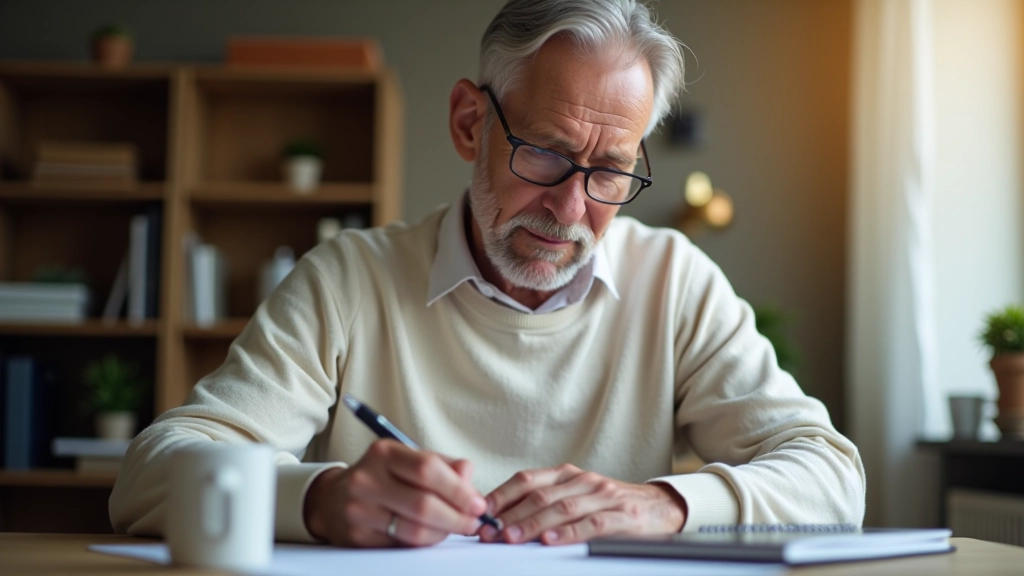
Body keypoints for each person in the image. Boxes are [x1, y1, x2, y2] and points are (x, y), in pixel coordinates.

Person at [110, 0, 865, 548]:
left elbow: (833, 479)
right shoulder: (348, 280)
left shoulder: (675, 280)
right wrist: (319, 497)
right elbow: (148, 475)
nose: (570, 209)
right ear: (471, 123)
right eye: (544, 152)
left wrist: (663, 505)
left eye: (609, 171)